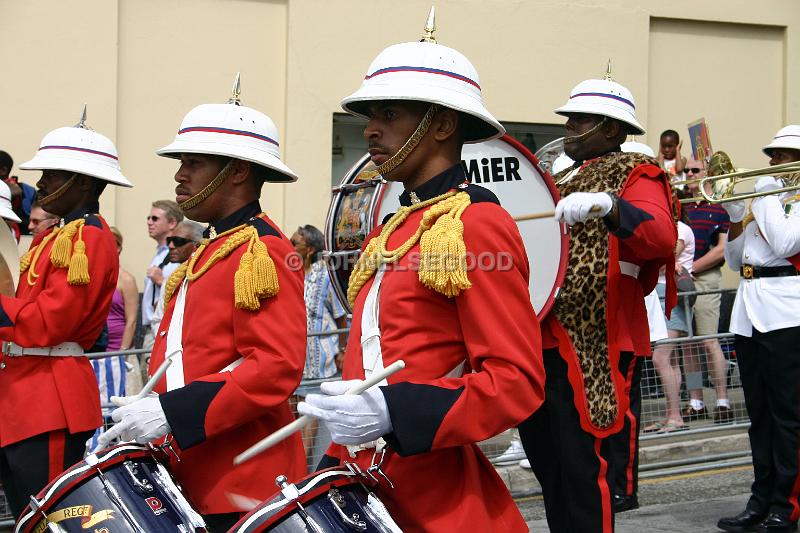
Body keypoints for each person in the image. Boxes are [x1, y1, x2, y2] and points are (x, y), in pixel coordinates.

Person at [297, 16, 544, 531]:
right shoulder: (392, 229)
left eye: (388, 113)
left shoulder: (475, 223)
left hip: (435, 498)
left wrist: (393, 409)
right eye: (368, 115)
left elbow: (516, 382)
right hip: (364, 478)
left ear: (442, 124)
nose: (369, 129)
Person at [97, 81, 307, 532]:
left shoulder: (263, 249)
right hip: (192, 466)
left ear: (235, 171)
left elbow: (274, 365)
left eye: (193, 163)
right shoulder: (217, 245)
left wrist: (173, 411)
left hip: (241, 475)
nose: (179, 175)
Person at [516, 73, 677, 531]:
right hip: (541, 334)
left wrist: (612, 206)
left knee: (586, 469)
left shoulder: (637, 173)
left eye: (580, 119)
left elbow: (660, 238)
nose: (569, 126)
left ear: (610, 129)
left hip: (596, 337)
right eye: (569, 118)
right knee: (549, 468)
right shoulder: (556, 179)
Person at [0, 110, 132, 519]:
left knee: (50, 520)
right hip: (24, 394)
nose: (41, 184)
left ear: (86, 182)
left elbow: (48, 323)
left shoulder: (89, 237)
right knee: (27, 519)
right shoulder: (57, 236)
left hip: (48, 397)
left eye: (53, 175)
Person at [717, 125, 800, 533]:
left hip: (788, 313)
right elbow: (735, 260)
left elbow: (786, 244)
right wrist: (736, 217)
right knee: (759, 416)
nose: (771, 163)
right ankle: (761, 497)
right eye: (773, 154)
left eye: (782, 156)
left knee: (788, 416)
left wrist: (762, 196)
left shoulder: (788, 201)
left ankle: (788, 503)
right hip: (750, 311)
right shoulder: (767, 201)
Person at [290, 224, 347, 461]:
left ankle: (303, 469)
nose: (289, 247)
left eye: (295, 243)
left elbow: (340, 314)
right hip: (294, 354)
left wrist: (343, 350)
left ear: (310, 249)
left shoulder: (325, 275)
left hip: (319, 354)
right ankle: (293, 463)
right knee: (292, 408)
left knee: (309, 410)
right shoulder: (290, 273)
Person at [682, 156, 732, 423]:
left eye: (694, 170)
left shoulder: (719, 207)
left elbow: (722, 250)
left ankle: (723, 401)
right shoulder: (682, 205)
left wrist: (690, 268)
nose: (689, 173)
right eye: (686, 170)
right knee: (687, 344)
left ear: (707, 174)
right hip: (683, 279)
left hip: (704, 279)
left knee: (709, 340)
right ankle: (696, 401)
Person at [644, 198, 695, 433]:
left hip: (671, 294)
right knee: (670, 360)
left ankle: (677, 414)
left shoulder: (681, 229)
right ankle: (672, 415)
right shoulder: (670, 228)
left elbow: (663, 263)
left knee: (662, 358)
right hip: (661, 293)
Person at [89, 226, 139, 450]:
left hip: (116, 351)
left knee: (113, 405)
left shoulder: (125, 279)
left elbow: (131, 320)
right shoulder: (91, 274)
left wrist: (123, 352)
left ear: (118, 247)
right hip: (93, 350)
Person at [149, 220, 203, 337]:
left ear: (197, 244)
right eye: (169, 240)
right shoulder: (171, 279)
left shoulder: (206, 276)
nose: (171, 246)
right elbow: (157, 320)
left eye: (178, 241)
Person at [141, 199, 182, 350]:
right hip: (151, 328)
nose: (149, 222)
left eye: (155, 218)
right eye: (148, 218)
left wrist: (161, 281)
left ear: (172, 223)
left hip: (165, 329)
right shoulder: (159, 254)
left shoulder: (179, 254)